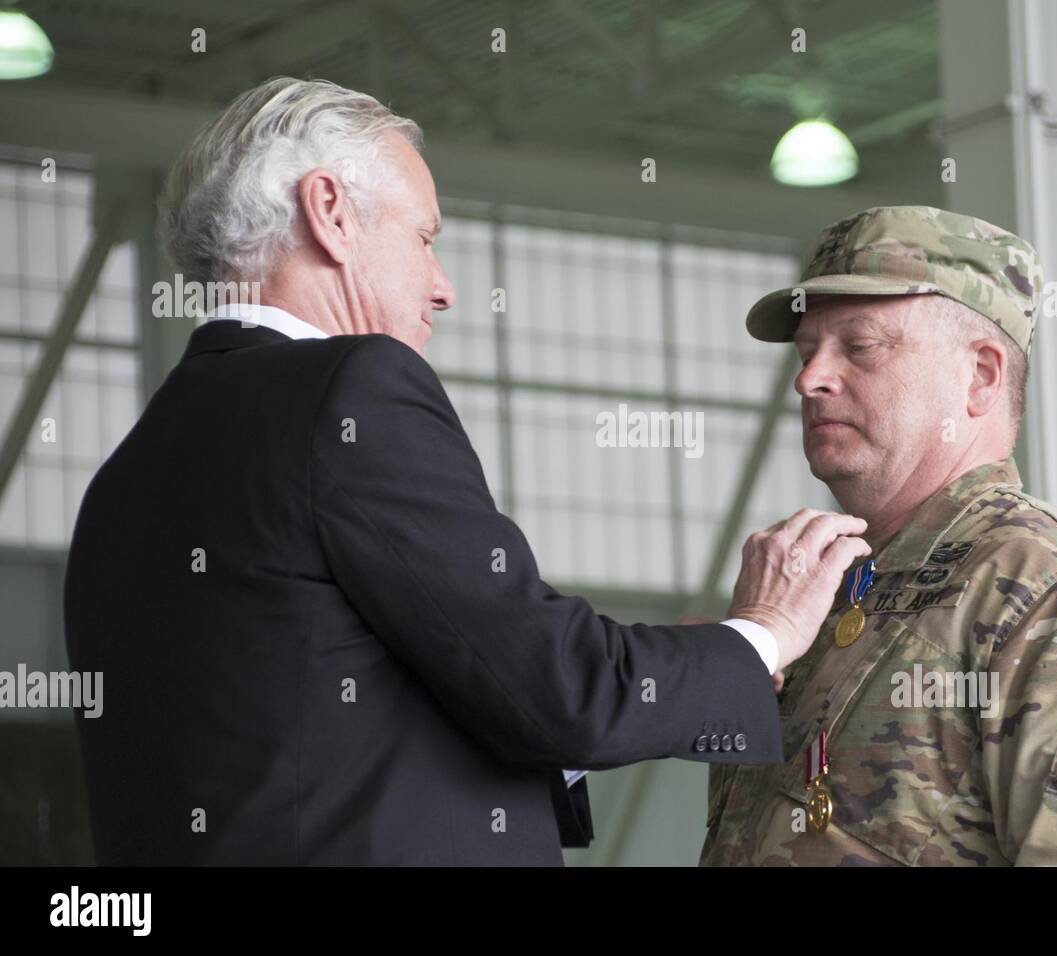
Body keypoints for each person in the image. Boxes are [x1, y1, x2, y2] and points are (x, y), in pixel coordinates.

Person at [63, 77, 869, 865]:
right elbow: (555, 693)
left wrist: (669, 671)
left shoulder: (128, 473)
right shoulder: (350, 387)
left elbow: (350, 738)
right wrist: (760, 634)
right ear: (330, 214)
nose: (442, 288)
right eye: (424, 238)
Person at [700, 205, 1057, 866]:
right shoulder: (815, 592)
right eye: (807, 352)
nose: (810, 379)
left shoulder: (1052, 590)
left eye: (858, 346)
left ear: (982, 375)